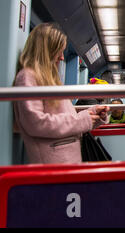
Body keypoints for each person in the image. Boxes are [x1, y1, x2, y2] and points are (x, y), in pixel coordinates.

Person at [13, 23, 110, 164]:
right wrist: (82, 120)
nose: (62, 58)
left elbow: (64, 118)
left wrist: (92, 113)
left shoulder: (50, 79)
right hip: (52, 163)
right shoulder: (27, 77)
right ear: (47, 51)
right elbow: (35, 123)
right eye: (58, 51)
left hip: (64, 159)